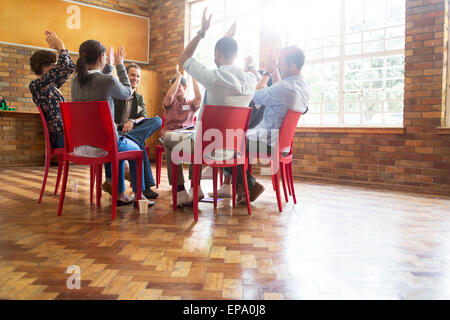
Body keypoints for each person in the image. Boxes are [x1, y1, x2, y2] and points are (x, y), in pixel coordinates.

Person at [176, 8, 257, 205]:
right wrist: (226, 40)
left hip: (206, 147)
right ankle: (202, 188)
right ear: (236, 55)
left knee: (171, 139)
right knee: (192, 136)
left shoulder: (213, 77)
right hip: (233, 147)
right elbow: (230, 63)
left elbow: (183, 58)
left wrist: (202, 32)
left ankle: (182, 194)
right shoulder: (251, 80)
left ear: (217, 54)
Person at [71, 40, 153, 208]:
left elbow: (100, 83)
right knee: (136, 148)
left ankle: (118, 192)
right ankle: (140, 197)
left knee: (117, 143)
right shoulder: (106, 81)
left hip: (80, 146)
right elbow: (126, 91)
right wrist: (120, 65)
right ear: (102, 56)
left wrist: (108, 66)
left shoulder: (75, 82)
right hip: (104, 146)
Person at [224, 46, 311, 204]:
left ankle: (249, 185)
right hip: (281, 145)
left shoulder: (285, 88)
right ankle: (243, 188)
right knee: (234, 140)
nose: (278, 65)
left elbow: (253, 96)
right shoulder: (303, 85)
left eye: (281, 63)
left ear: (292, 67)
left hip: (268, 143)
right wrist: (274, 71)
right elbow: (280, 91)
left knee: (224, 143)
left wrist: (267, 73)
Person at [100, 63, 162, 200]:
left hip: (132, 131)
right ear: (126, 77)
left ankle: (131, 137)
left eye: (138, 76)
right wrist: (118, 125)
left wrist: (132, 121)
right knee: (139, 141)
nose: (136, 78)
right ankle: (144, 188)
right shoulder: (117, 94)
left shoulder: (138, 98)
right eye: (133, 75)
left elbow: (143, 116)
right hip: (116, 131)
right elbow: (107, 114)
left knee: (157, 120)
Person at [162, 66, 202, 207]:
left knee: (194, 141)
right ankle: (186, 189)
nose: (178, 88)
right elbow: (169, 96)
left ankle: (188, 188)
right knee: (170, 140)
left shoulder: (190, 104)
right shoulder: (170, 103)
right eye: (175, 86)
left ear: (185, 87)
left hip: (188, 134)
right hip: (172, 133)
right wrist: (178, 77)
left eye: (181, 86)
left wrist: (194, 78)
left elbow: (199, 97)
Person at [29, 31, 75, 148]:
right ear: (44, 68)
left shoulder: (50, 85)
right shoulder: (37, 85)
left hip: (65, 134)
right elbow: (63, 65)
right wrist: (61, 47)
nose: (56, 68)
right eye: (53, 65)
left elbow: (70, 68)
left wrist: (58, 48)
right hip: (61, 137)